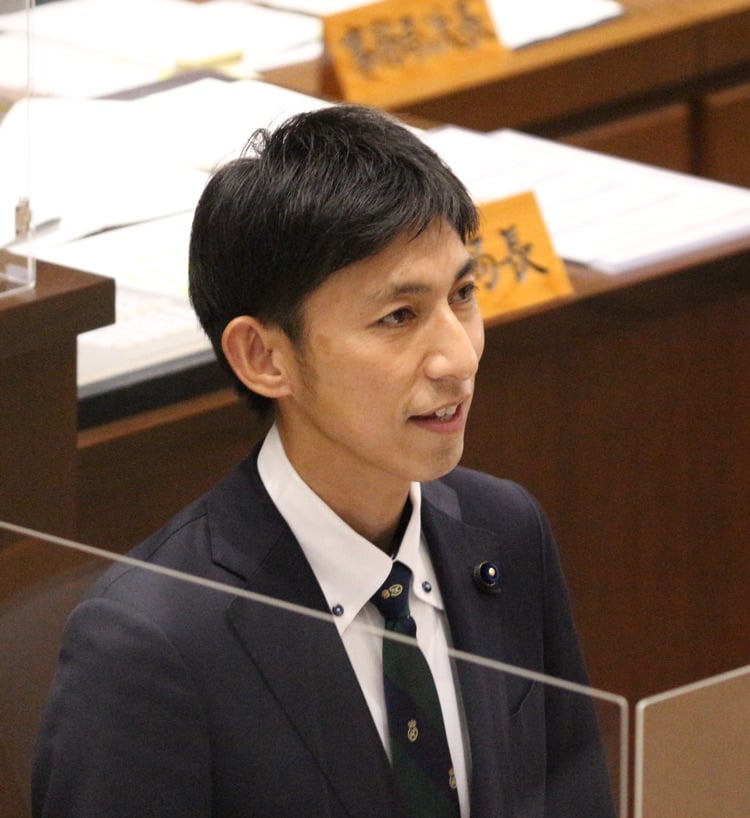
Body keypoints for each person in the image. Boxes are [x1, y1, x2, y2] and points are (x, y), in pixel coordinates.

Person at [32, 104, 614, 818]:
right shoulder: (150, 643)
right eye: (398, 317)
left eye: (463, 295)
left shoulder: (507, 531)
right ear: (264, 357)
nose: (459, 358)